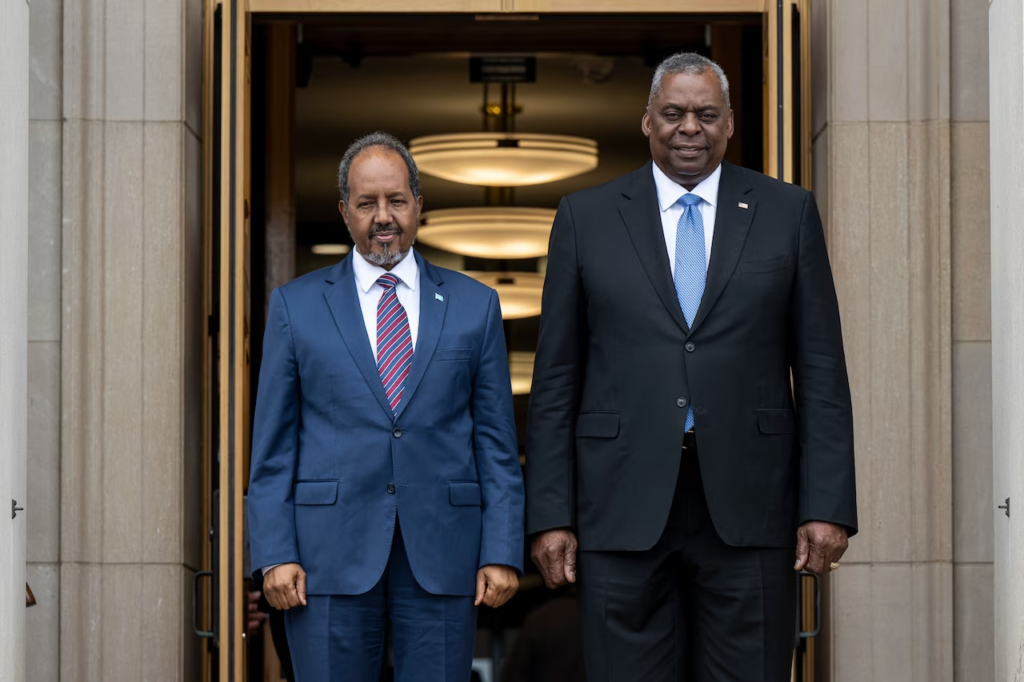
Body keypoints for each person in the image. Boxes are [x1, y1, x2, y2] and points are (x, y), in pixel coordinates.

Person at [526, 52, 857, 682]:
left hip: (751, 506)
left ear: (730, 124)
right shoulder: (585, 218)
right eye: (673, 113)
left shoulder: (788, 213)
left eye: (706, 114)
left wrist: (827, 503)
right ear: (646, 120)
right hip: (619, 507)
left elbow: (820, 368)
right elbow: (556, 381)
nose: (689, 128)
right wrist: (550, 515)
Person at [247, 132, 525, 681]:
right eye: (367, 202)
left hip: (444, 552)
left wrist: (502, 548)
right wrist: (274, 554)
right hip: (324, 555)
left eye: (396, 200)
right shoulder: (295, 307)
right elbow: (274, 447)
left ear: (419, 205)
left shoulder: (476, 305)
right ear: (345, 211)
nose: (384, 217)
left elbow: (496, 443)